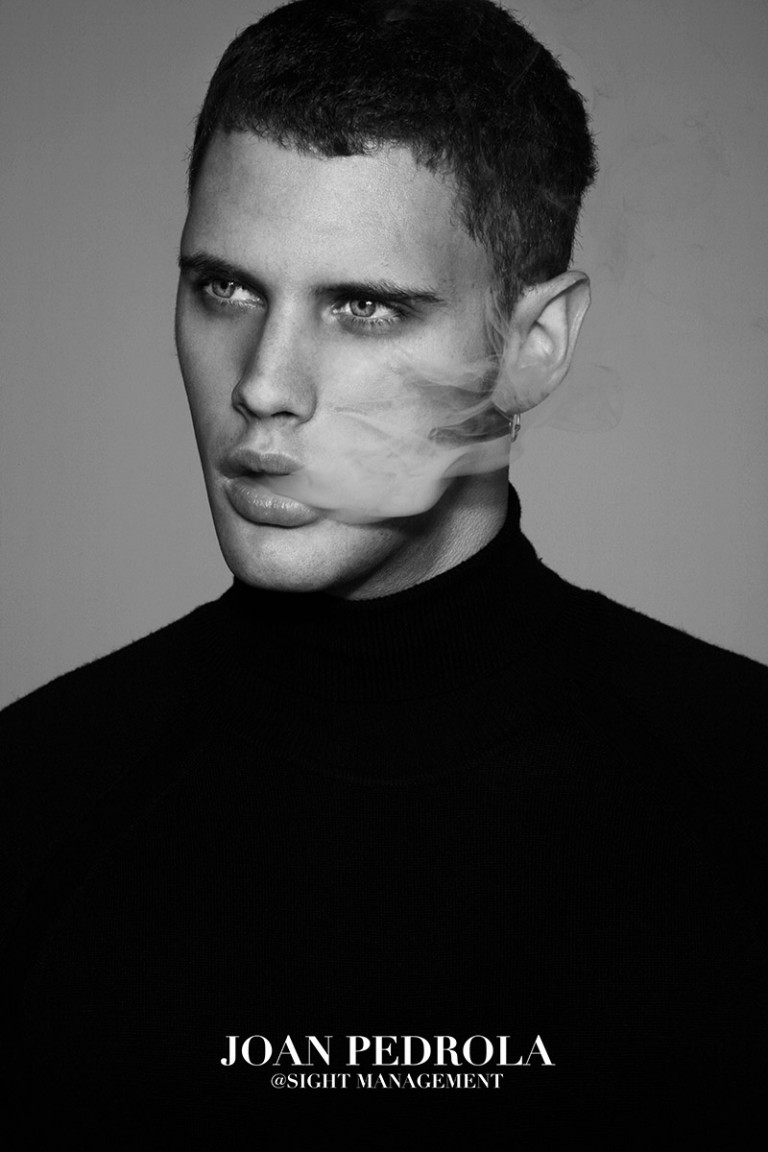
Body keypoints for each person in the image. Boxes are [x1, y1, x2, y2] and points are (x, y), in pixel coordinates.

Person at [1, 0, 765, 1143]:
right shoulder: (32, 799)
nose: (264, 384)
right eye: (224, 288)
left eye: (362, 308)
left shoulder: (742, 793)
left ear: (532, 347)